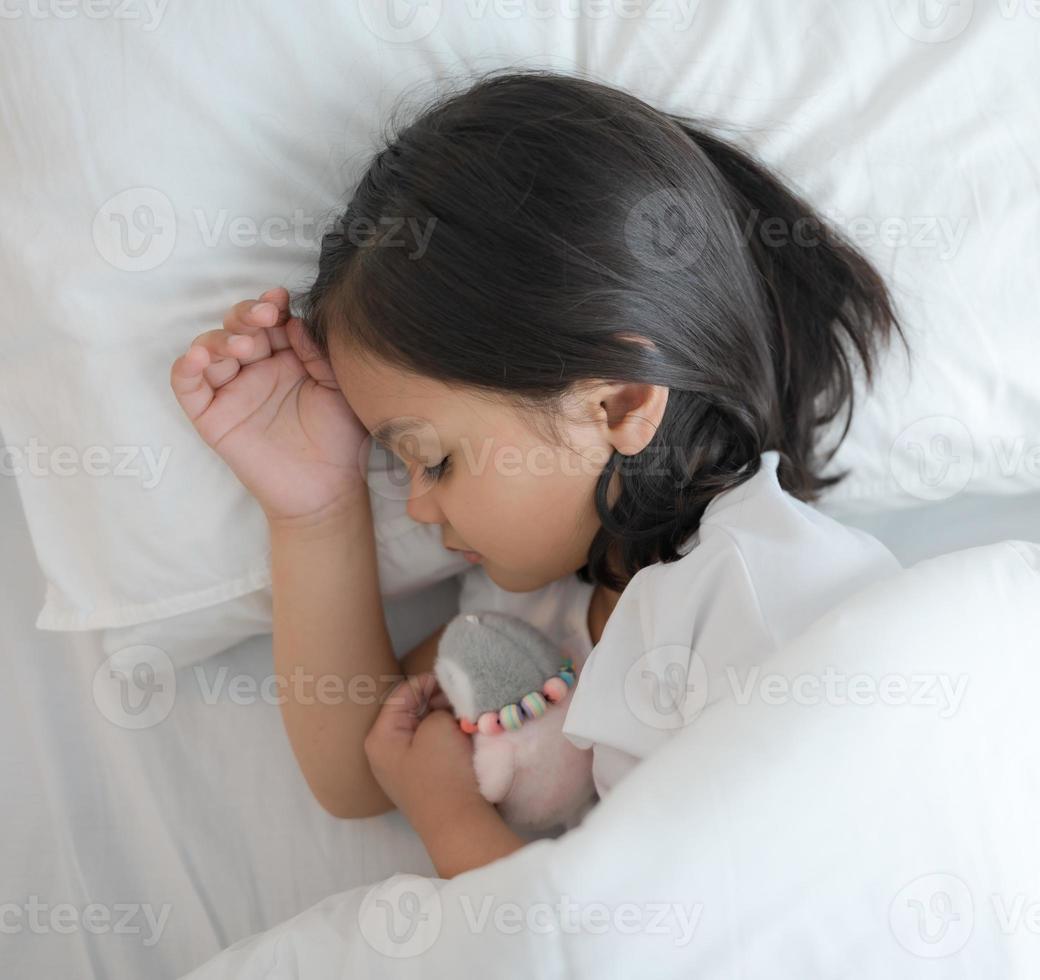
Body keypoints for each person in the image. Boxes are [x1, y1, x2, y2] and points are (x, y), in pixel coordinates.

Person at [169, 70, 907, 878]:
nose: (416, 506)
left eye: (433, 460)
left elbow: (671, 937)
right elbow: (365, 761)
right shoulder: (542, 605)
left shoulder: (764, 590)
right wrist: (313, 509)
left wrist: (453, 824)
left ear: (618, 403)